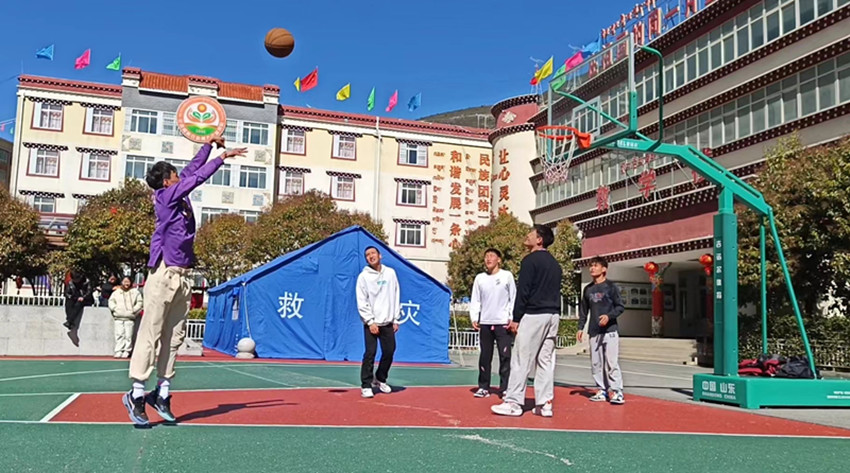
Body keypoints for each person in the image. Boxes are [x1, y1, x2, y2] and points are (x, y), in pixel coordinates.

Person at [122, 136, 246, 426]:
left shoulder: (178, 192)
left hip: (183, 274)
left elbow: (193, 169)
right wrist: (222, 158)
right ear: (167, 181)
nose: (181, 176)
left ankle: (162, 393)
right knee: (151, 333)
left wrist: (210, 145)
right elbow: (195, 178)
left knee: (174, 336)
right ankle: (136, 393)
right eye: (175, 174)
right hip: (163, 273)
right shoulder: (165, 197)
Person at [491, 224, 562, 417]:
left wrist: (516, 318)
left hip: (534, 315)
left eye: (531, 233)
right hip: (553, 315)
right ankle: (545, 404)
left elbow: (523, 291)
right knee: (545, 361)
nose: (527, 235)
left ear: (539, 239)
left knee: (522, 359)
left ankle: (513, 402)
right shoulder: (555, 264)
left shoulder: (530, 261)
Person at [577, 256, 626, 405]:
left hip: (610, 331)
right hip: (594, 331)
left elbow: (620, 307)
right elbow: (584, 310)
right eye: (591, 266)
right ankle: (602, 390)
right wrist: (580, 327)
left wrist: (609, 316)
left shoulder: (611, 287)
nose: (592, 268)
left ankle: (617, 392)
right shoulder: (588, 289)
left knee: (611, 362)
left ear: (604, 269)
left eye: (596, 266)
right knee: (596, 363)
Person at [469, 248, 516, 398]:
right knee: (485, 356)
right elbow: (475, 299)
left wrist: (512, 317)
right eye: (486, 256)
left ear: (499, 260)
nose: (488, 259)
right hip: (485, 323)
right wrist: (474, 317)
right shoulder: (480, 278)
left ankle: (505, 388)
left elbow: (513, 298)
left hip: (503, 323)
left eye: (492, 256)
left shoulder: (506, 276)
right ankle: (483, 387)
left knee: (505, 356)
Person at [356, 246, 400, 399]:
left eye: (373, 253)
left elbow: (396, 295)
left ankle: (380, 378)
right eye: (367, 255)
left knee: (389, 351)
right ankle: (366, 385)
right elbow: (362, 300)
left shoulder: (390, 273)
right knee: (370, 353)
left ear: (380, 255)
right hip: (372, 323)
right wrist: (370, 321)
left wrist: (395, 319)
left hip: (387, 321)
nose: (371, 256)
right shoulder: (363, 277)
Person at [109, 277, 143, 358]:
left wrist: (134, 310)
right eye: (124, 281)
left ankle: (127, 351)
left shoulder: (135, 292)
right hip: (118, 317)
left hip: (130, 318)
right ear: (121, 282)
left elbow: (140, 303)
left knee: (128, 336)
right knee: (119, 335)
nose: (126, 283)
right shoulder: (116, 292)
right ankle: (118, 350)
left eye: (128, 282)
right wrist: (115, 309)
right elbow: (111, 301)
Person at [63, 270, 92, 346]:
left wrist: (83, 297)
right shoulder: (70, 283)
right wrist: (73, 298)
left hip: (85, 299)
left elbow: (89, 292)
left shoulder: (86, 281)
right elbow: (67, 293)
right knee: (68, 303)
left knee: (78, 304)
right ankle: (69, 321)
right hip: (75, 298)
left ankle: (69, 321)